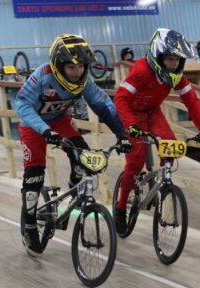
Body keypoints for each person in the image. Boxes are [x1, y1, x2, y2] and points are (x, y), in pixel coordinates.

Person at [15, 34, 131, 257]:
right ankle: (29, 225)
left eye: (81, 67)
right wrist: (45, 131)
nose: (78, 72)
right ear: (58, 65)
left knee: (83, 155)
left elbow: (103, 105)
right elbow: (22, 105)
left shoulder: (84, 81)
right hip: (33, 125)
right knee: (34, 175)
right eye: (71, 67)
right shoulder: (42, 76)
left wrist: (121, 134)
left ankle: (74, 188)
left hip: (60, 120)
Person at [113, 28, 200, 235]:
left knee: (171, 146)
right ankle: (121, 207)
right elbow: (120, 98)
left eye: (178, 60)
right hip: (133, 114)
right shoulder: (142, 70)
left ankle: (162, 182)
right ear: (158, 57)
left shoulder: (176, 76)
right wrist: (130, 125)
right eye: (170, 59)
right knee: (136, 160)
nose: (174, 64)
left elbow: (191, 101)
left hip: (152, 112)